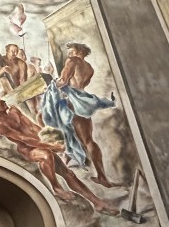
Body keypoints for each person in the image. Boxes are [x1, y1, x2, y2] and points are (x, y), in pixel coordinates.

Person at [0, 95, 118, 215]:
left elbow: (32, 127)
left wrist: (48, 137)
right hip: (28, 149)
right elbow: (24, 139)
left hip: (39, 141)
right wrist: (50, 146)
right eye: (0, 102)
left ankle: (97, 203)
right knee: (46, 155)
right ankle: (56, 187)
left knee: (69, 174)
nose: (3, 101)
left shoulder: (12, 110)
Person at [43, 42, 115, 187]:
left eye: (71, 51)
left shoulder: (72, 61)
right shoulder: (89, 68)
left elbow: (63, 82)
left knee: (64, 133)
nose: (68, 54)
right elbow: (80, 85)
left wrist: (49, 81)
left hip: (71, 102)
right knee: (87, 140)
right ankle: (102, 176)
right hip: (83, 102)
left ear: (79, 51)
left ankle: (67, 168)